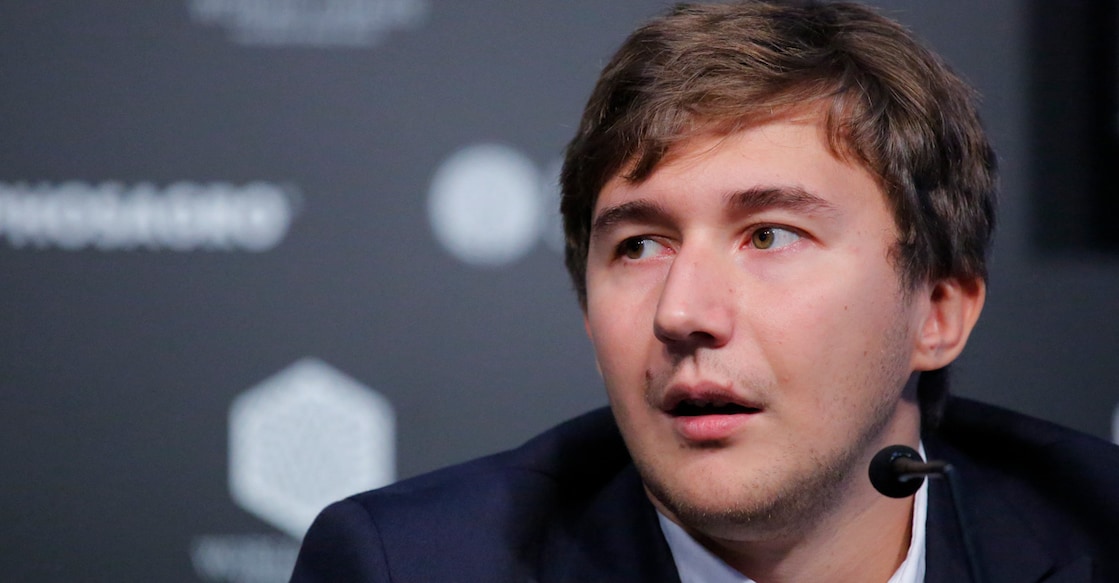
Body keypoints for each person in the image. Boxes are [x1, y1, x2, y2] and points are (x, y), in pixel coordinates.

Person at [291, 2, 1119, 581]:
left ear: (935, 312)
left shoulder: (1097, 530)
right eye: (640, 244)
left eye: (768, 235)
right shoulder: (412, 566)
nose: (681, 312)